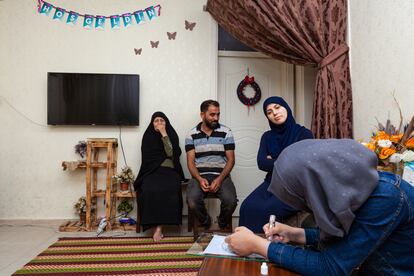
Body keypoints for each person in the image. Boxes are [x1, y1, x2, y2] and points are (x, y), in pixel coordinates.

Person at [226, 139, 414, 275]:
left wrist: (259, 245)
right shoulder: (359, 188)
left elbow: (331, 267)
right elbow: (349, 235)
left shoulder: (385, 198)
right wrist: (294, 233)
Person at [239, 96, 313, 233]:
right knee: (246, 206)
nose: (274, 113)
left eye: (277, 107)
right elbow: (261, 163)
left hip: (295, 187)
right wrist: (287, 158)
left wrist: (273, 159)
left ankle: (263, 246)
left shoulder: (304, 134)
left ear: (286, 107)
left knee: (266, 209)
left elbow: (301, 164)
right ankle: (245, 244)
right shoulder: (267, 136)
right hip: (271, 183)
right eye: (269, 112)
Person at [185, 100, 237, 229]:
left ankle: (222, 222)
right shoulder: (191, 135)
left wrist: (219, 180)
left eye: (218, 114)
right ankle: (206, 221)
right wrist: (199, 178)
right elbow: (190, 163)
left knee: (231, 201)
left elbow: (231, 160)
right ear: (202, 115)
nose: (216, 118)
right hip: (199, 176)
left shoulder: (226, 132)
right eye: (212, 114)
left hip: (222, 175)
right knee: (192, 201)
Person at [133, 112, 185, 241]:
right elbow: (147, 160)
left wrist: (164, 134)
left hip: (169, 171)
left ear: (166, 123)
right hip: (151, 171)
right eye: (156, 121)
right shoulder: (147, 137)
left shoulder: (171, 135)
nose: (159, 123)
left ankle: (160, 227)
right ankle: (157, 227)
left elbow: (171, 153)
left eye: (162, 120)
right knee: (150, 189)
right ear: (152, 123)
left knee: (170, 187)